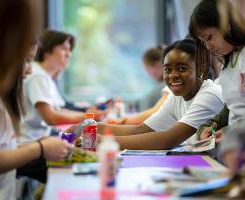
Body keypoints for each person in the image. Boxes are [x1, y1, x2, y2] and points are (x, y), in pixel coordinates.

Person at [0, 40, 73, 200]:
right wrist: (40, 148)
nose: (29, 70)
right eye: (27, 60)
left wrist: (40, 143)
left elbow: (1, 148)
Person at [95, 38, 224, 150]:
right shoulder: (176, 97)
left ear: (201, 68)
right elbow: (140, 130)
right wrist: (92, 127)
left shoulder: (209, 95)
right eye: (168, 69)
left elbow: (167, 140)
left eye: (182, 69)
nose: (173, 75)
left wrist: (103, 141)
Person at [189, 0, 245, 144]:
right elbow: (233, 108)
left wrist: (231, 131)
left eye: (209, 37)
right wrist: (209, 127)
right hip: (240, 143)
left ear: (226, 25)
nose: (208, 47)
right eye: (203, 42)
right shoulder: (230, 58)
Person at [21, 30, 107, 143]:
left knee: (91, 138)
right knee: (91, 140)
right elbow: (51, 117)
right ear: (47, 50)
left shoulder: (45, 76)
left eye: (69, 50)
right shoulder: (38, 76)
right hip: (32, 140)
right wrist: (88, 117)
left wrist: (88, 115)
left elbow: (59, 110)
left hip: (42, 136)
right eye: (64, 49)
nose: (69, 54)